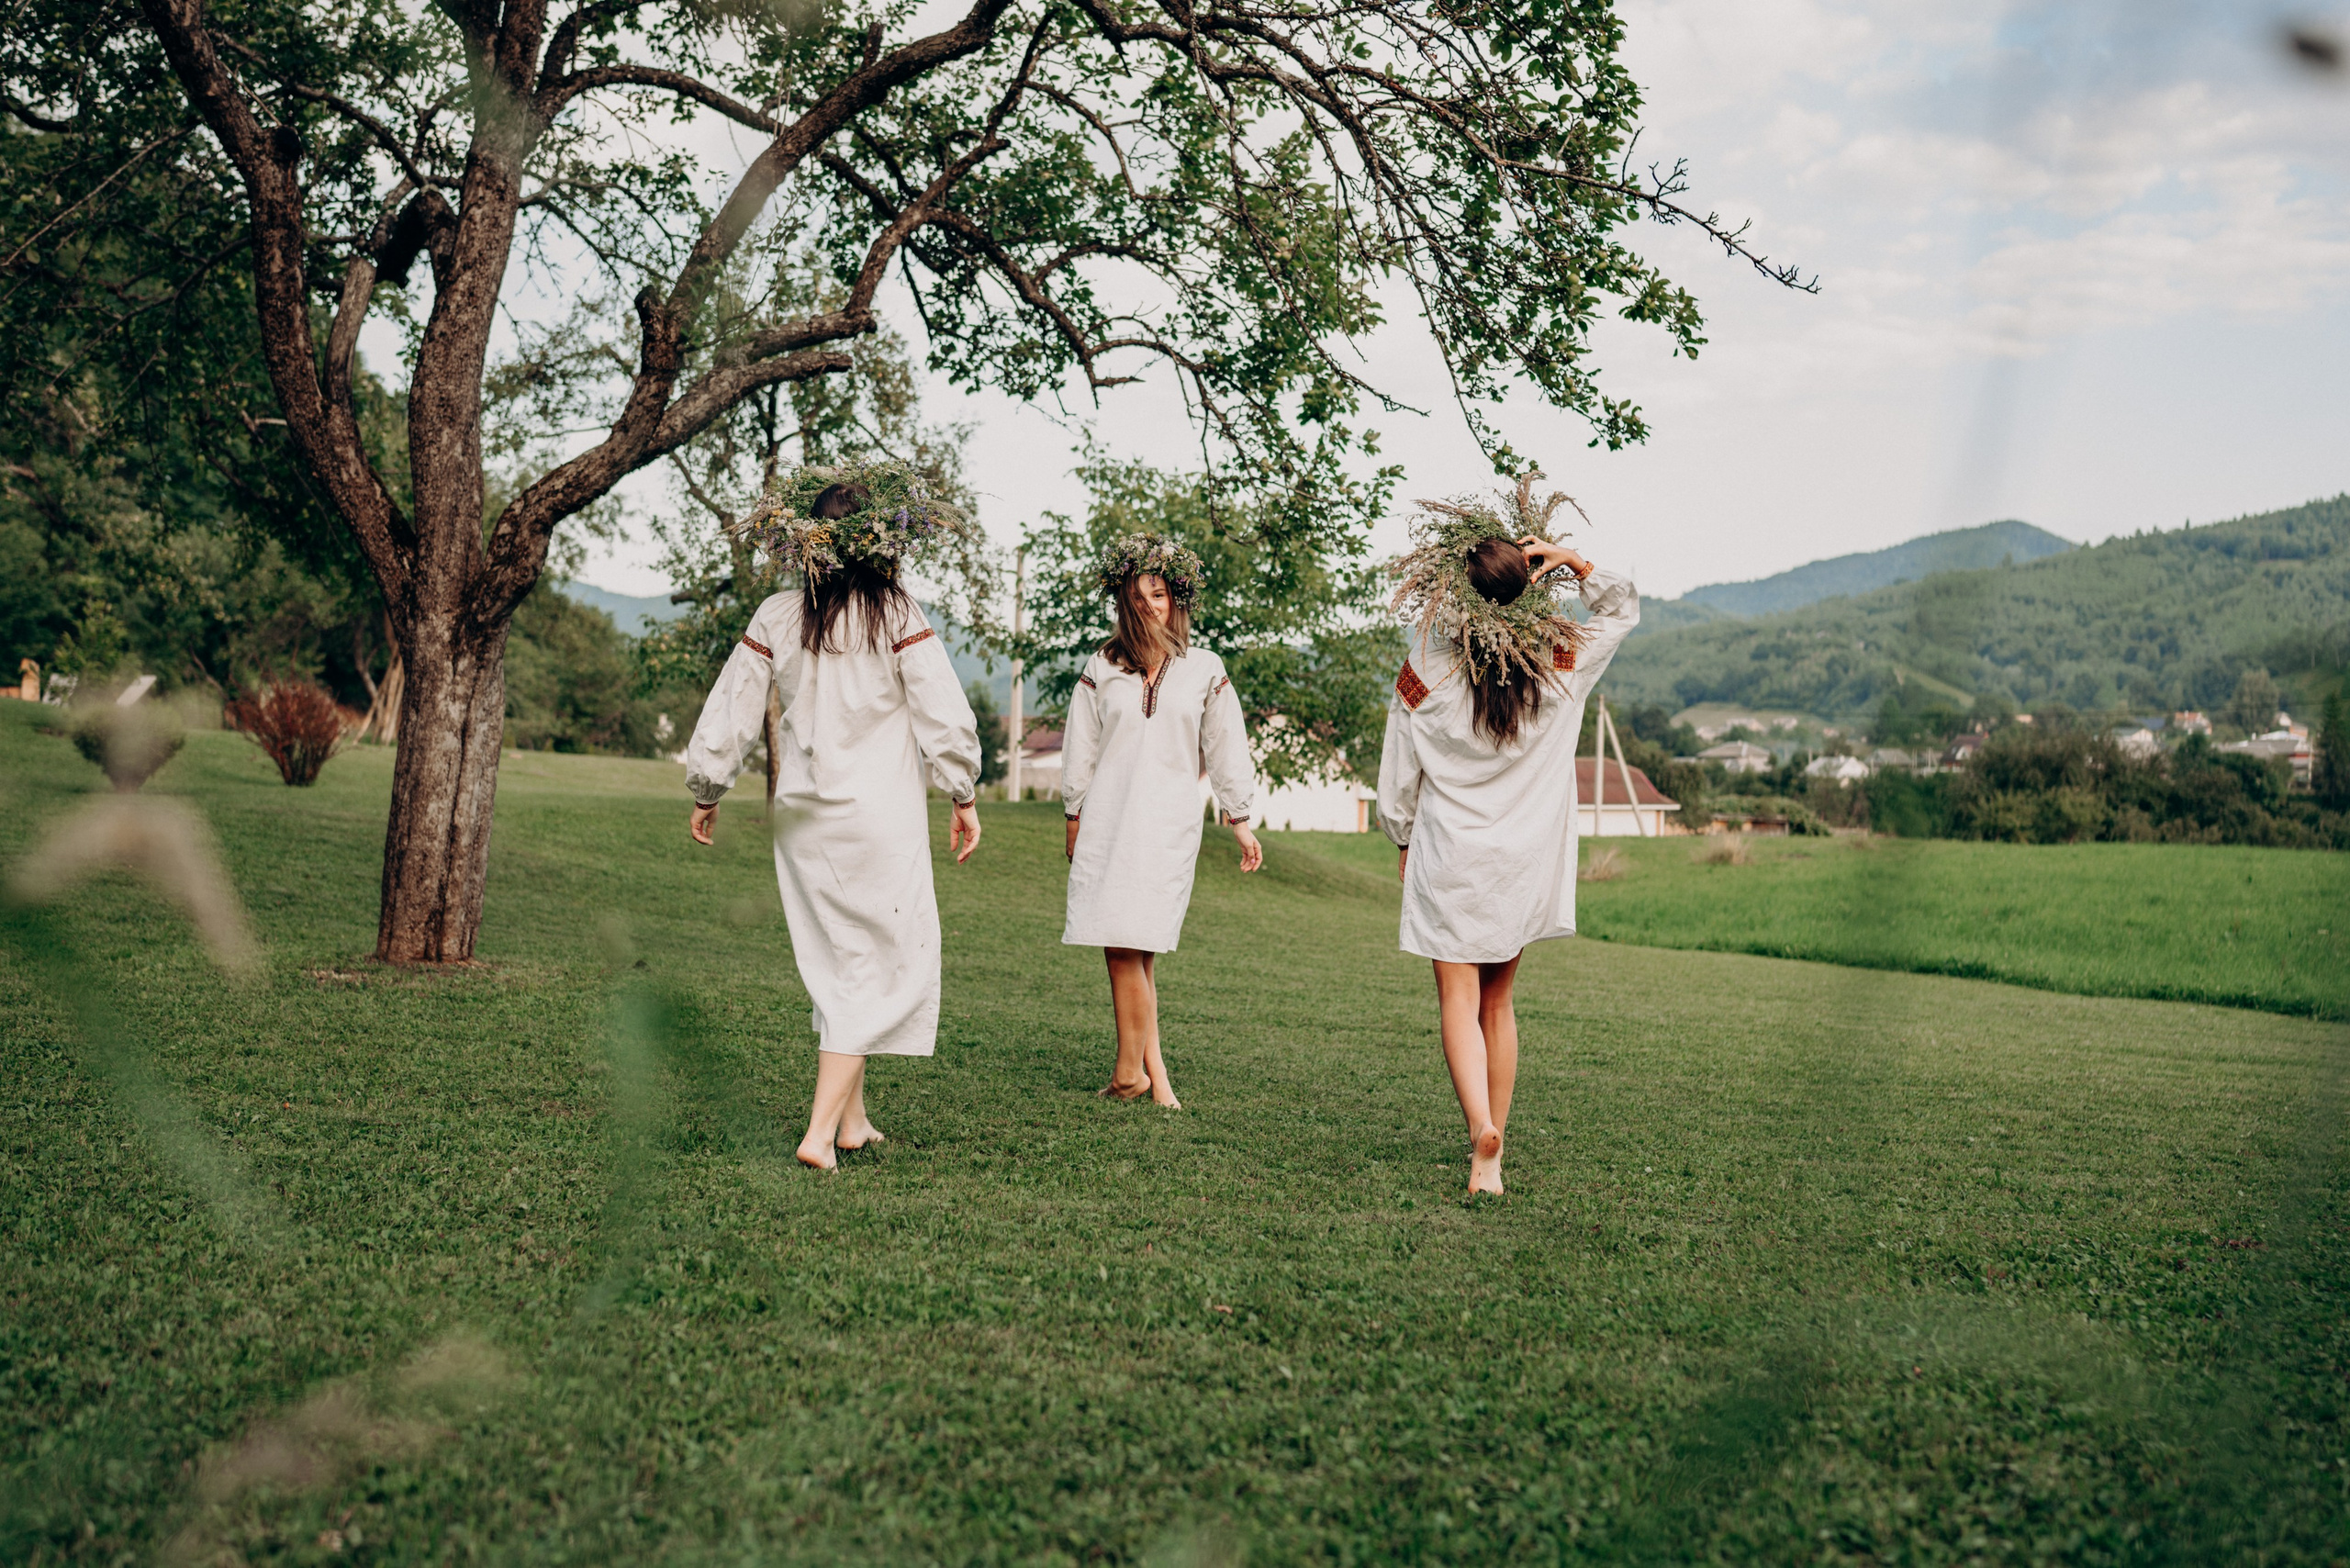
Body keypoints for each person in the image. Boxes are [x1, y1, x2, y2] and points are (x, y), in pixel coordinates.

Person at [682, 467, 984, 1170]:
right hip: (880, 817)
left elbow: (732, 707)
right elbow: (943, 714)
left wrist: (708, 788)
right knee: (880, 964)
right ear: (880, 545)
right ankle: (819, 1135)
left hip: (807, 816)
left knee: (840, 959)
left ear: (812, 545)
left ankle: (852, 1121)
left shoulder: (777, 616)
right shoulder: (898, 614)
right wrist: (961, 794)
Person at [1374, 476, 1639, 1194]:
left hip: (1448, 854)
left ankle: (1477, 1128)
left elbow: (1398, 775)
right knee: (1500, 1002)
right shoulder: (1559, 661)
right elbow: (1622, 609)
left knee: (1457, 999)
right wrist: (1571, 560)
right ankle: (1495, 1147)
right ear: (1526, 589)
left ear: (1454, 593)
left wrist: (1400, 837)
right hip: (1523, 858)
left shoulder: (1424, 668)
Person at [1060, 534, 1263, 1109]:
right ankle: (1156, 1080)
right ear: (1125, 600)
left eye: (1162, 594)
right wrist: (1073, 815)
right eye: (1141, 594)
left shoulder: (1205, 668)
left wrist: (1240, 819)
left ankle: (1130, 1075)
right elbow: (1081, 748)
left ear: (1177, 600)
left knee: (1133, 945)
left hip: (1168, 824)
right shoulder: (1100, 666)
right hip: (1106, 818)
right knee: (1125, 947)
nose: (1153, 605)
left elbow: (1227, 746)